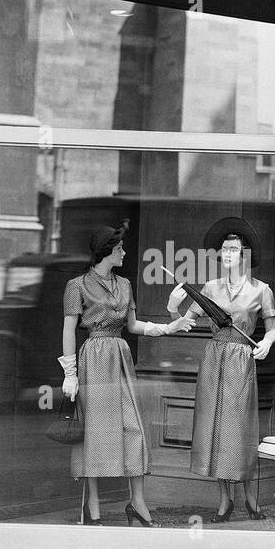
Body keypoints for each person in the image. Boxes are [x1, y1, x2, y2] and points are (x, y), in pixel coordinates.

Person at [61, 220, 193, 526]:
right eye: (120, 248)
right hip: (93, 359)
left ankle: (137, 502)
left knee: (133, 429)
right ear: (106, 252)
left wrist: (168, 327)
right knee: (94, 431)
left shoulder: (125, 285)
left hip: (120, 357)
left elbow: (133, 325)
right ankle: (92, 505)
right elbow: (69, 329)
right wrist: (70, 372)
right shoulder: (76, 286)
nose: (124, 253)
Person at [170, 217, 275, 521]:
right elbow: (186, 322)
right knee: (215, 428)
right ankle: (224, 501)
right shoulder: (210, 288)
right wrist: (172, 307)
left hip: (242, 361)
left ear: (246, 255)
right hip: (214, 358)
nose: (227, 255)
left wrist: (266, 342)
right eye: (224, 250)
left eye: (233, 249)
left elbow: (272, 330)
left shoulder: (261, 290)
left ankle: (250, 499)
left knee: (240, 429)